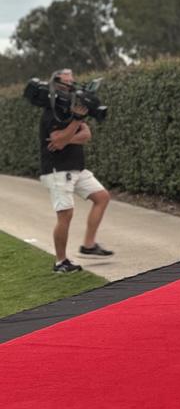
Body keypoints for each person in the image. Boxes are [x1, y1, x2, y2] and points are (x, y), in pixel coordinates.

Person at [39, 69, 113, 273]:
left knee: (102, 197)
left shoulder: (73, 111)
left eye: (72, 79)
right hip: (58, 171)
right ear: (57, 84)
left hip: (76, 168)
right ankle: (60, 262)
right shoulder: (51, 112)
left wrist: (66, 137)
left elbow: (85, 135)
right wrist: (74, 125)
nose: (72, 83)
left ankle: (88, 245)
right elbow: (57, 139)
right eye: (67, 81)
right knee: (65, 214)